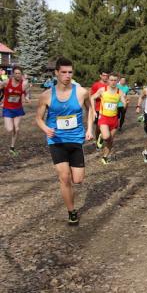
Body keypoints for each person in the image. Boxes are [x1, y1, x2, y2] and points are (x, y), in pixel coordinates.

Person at [35, 58, 94, 225]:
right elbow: (38, 118)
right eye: (63, 72)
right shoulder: (46, 95)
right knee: (64, 177)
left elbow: (91, 110)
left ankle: (71, 197)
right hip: (56, 140)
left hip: (76, 139)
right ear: (56, 73)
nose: (67, 76)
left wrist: (89, 128)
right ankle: (71, 211)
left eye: (70, 72)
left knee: (78, 180)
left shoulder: (81, 92)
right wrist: (45, 128)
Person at [90, 73, 127, 164]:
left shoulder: (120, 92)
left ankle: (105, 157)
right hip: (104, 118)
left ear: (117, 81)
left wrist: (125, 103)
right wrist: (94, 111)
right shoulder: (103, 90)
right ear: (108, 80)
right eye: (111, 80)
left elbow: (123, 102)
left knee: (110, 140)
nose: (113, 82)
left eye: (115, 80)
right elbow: (92, 97)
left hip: (114, 119)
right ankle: (101, 136)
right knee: (106, 136)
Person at [1, 66, 30, 155]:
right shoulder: (6, 82)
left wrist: (27, 97)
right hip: (7, 109)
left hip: (18, 109)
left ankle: (12, 147)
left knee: (16, 129)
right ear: (13, 74)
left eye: (19, 73)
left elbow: (26, 92)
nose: (18, 75)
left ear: (21, 74)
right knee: (10, 129)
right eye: (16, 73)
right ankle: (11, 138)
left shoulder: (24, 84)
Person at [90, 70, 109, 148]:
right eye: (104, 75)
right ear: (100, 76)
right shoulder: (96, 85)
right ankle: (97, 140)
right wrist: (93, 110)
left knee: (107, 126)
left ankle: (104, 138)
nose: (105, 77)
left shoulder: (110, 84)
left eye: (107, 76)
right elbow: (92, 97)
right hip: (98, 109)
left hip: (108, 109)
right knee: (98, 127)